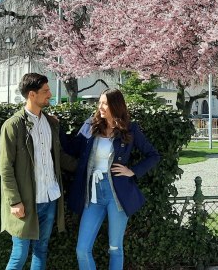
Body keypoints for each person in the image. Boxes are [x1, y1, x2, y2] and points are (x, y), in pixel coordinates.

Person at [67, 88, 160, 270]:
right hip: (93, 195)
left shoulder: (129, 129)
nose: (100, 107)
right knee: (82, 249)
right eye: (100, 102)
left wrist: (132, 171)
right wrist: (53, 127)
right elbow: (72, 147)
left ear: (115, 106)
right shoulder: (90, 125)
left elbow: (153, 155)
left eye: (105, 103)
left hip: (116, 195)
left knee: (115, 248)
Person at [0, 73, 75, 270]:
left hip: (50, 197)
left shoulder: (52, 123)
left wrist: (85, 166)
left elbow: (57, 157)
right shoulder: (13, 126)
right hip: (25, 201)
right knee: (19, 254)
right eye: (46, 91)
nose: (50, 94)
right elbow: (5, 167)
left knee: (41, 250)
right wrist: (14, 201)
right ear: (32, 95)